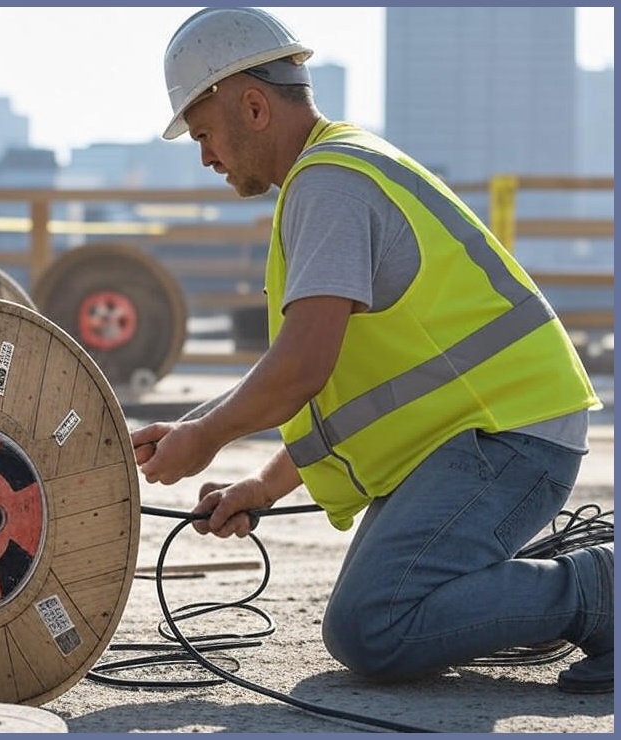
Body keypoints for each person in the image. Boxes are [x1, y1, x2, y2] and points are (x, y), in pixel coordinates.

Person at [131, 7, 612, 694]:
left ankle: (601, 590)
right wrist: (263, 487)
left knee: (375, 624)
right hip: (484, 434)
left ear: (255, 107)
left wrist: (205, 436)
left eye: (204, 133)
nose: (206, 156)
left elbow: (300, 369)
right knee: (370, 618)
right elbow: (353, 396)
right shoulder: (337, 170)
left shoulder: (329, 185)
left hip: (510, 438)